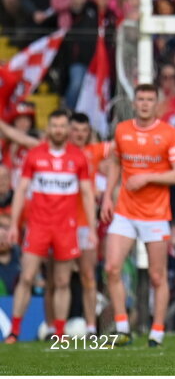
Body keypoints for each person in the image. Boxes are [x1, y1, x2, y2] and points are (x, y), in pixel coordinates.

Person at [101, 84, 175, 347]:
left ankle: (157, 331)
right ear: (134, 103)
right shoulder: (123, 130)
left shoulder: (169, 133)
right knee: (112, 268)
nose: (145, 104)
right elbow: (116, 161)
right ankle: (123, 326)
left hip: (155, 214)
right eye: (141, 99)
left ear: (157, 103)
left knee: (157, 276)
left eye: (150, 99)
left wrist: (147, 177)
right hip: (125, 211)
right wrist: (107, 195)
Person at [3, 109, 95, 343]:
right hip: (38, 225)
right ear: (49, 128)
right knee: (27, 276)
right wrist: (14, 224)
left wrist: (92, 229)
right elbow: (22, 190)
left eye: (62, 126)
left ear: (67, 129)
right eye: (54, 126)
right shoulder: (35, 155)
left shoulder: (77, 157)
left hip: (66, 227)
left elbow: (86, 194)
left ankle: (60, 333)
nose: (58, 130)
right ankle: (14, 331)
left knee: (63, 281)